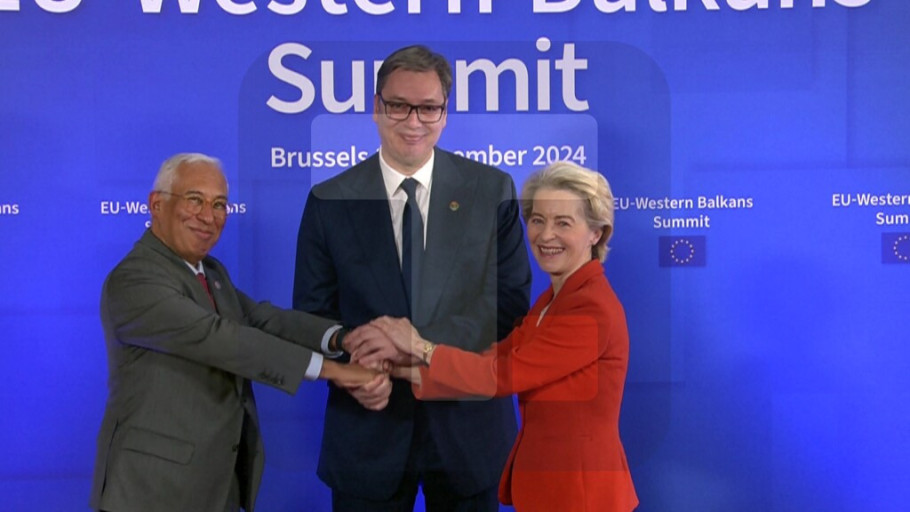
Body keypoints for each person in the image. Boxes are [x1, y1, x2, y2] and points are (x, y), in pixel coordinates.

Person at [293, 45, 532, 511]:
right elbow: (310, 316)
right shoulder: (329, 200)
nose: (413, 121)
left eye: (428, 108)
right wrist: (353, 356)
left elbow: (508, 306)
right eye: (399, 105)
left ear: (445, 113)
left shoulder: (492, 190)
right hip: (368, 427)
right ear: (376, 107)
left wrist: (415, 343)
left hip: (467, 430)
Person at [90, 153, 386, 512]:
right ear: (157, 204)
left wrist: (346, 339)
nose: (208, 216)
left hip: (215, 487)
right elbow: (222, 338)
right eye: (195, 200)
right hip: (153, 492)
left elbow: (261, 319)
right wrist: (336, 371)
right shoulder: (135, 279)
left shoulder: (210, 271)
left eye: (219, 204)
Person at [351, 161, 639, 511]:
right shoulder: (552, 300)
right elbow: (494, 356)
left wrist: (417, 344)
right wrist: (397, 365)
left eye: (563, 223)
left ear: (596, 233)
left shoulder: (591, 308)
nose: (546, 235)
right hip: (549, 482)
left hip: (581, 491)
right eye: (538, 220)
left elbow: (499, 375)